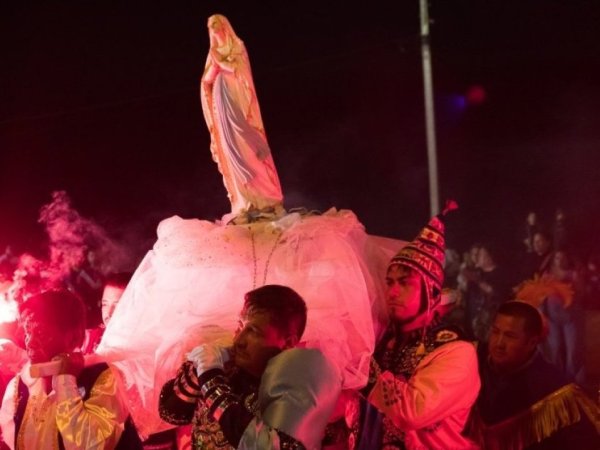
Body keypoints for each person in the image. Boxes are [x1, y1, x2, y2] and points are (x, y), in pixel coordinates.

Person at [354, 202, 480, 449]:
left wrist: (360, 361)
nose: (392, 292)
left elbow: (411, 412)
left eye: (404, 283)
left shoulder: (457, 352)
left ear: (431, 291)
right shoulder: (385, 340)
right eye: (390, 282)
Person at [159, 284, 340, 449]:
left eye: (253, 331)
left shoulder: (292, 391)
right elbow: (170, 413)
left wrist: (209, 377)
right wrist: (197, 371)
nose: (238, 340)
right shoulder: (225, 367)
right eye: (240, 326)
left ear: (287, 343)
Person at [0, 289, 135, 450]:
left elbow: (90, 445)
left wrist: (66, 381)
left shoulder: (104, 379)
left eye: (41, 333)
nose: (30, 342)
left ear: (72, 337)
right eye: (28, 331)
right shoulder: (19, 386)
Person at [471, 300, 600, 449]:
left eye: (510, 336)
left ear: (531, 343)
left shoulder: (556, 391)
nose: (499, 343)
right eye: (495, 332)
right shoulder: (472, 359)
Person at [200, 14, 284, 219]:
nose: (213, 27)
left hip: (237, 103)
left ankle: (266, 197)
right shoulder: (212, 53)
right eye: (210, 25)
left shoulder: (237, 46)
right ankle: (244, 201)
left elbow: (237, 70)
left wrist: (219, 61)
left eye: (216, 23)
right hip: (221, 107)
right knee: (231, 150)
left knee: (246, 147)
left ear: (224, 25)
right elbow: (207, 80)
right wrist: (216, 62)